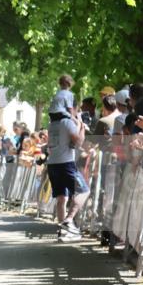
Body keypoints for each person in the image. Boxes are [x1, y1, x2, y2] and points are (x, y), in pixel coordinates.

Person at [46, 91, 89, 241]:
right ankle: (68, 220)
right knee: (83, 191)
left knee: (61, 198)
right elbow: (77, 143)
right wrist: (82, 127)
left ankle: (62, 231)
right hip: (66, 163)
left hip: (53, 164)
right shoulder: (67, 122)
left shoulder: (51, 125)